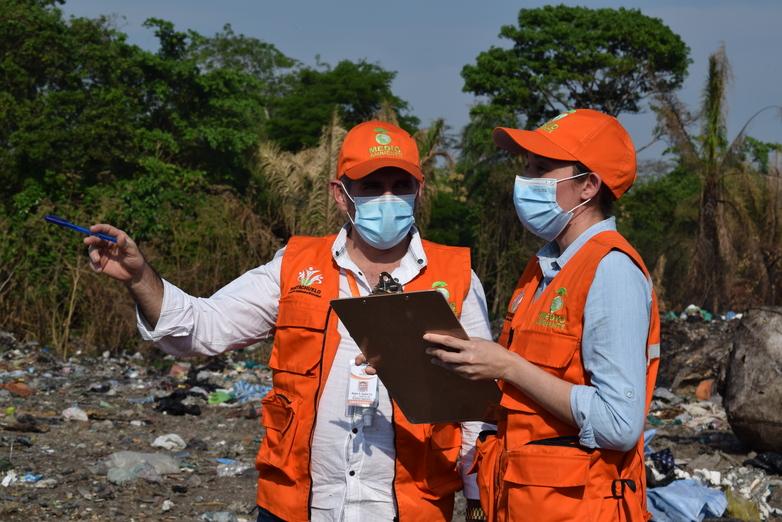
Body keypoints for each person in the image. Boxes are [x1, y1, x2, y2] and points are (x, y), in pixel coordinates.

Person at [84, 120, 492, 522]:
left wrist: (477, 501)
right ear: (340, 194)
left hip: (408, 509)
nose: (388, 198)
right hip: (296, 507)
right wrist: (140, 277)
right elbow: (198, 329)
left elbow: (479, 406)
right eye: (372, 186)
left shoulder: (455, 276)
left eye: (400, 186)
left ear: (418, 190)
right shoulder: (295, 267)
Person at [425, 109, 660, 521]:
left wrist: (509, 366)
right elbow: (521, 396)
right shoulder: (544, 269)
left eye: (542, 168)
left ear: (588, 186)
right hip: (526, 502)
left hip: (581, 508)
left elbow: (620, 424)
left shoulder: (611, 270)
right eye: (527, 166)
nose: (526, 180)